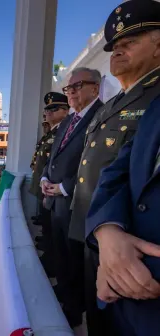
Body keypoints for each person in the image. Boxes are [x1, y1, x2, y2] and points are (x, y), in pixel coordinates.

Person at [69, 2, 160, 334]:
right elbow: (115, 169)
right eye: (115, 47)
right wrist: (104, 227)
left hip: (135, 252)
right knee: (99, 318)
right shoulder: (117, 104)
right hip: (100, 229)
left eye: (130, 43)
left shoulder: (152, 97)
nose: (118, 53)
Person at [86, 95, 160, 335]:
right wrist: (107, 231)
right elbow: (118, 171)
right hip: (118, 302)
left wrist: (120, 273)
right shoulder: (155, 105)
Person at [41, 68, 103, 328]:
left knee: (77, 260)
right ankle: (65, 295)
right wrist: (45, 178)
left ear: (95, 89)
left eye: (79, 85)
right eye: (69, 88)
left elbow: (98, 163)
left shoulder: (102, 115)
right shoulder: (68, 121)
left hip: (77, 202)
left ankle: (74, 310)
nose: (72, 91)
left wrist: (64, 187)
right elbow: (53, 158)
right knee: (62, 255)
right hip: (56, 202)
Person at [30, 93, 69, 277]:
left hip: (58, 191)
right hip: (46, 184)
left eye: (53, 109)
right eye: (47, 109)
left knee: (55, 233)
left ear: (66, 111)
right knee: (48, 226)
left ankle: (52, 263)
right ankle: (49, 255)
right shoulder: (52, 133)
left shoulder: (65, 131)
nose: (48, 113)